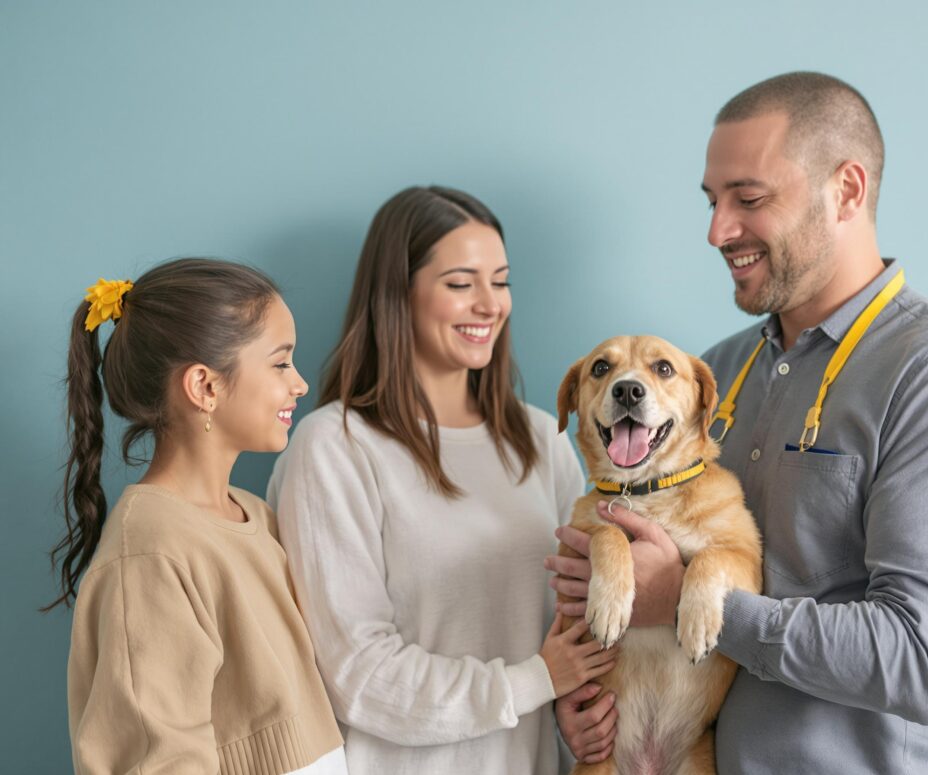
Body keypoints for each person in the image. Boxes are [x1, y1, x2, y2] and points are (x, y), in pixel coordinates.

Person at [550, 72, 928, 773]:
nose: (718, 231)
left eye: (749, 199)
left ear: (848, 191)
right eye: (713, 202)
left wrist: (682, 598)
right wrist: (584, 691)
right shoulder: (712, 374)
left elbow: (921, 663)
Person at [267, 185, 614, 775]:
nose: (489, 304)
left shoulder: (542, 440)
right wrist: (535, 682)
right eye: (460, 284)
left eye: (500, 282)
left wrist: (575, 711)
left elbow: (572, 628)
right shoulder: (335, 448)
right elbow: (356, 672)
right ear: (397, 295)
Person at [50, 258, 346, 773]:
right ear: (205, 387)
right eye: (280, 364)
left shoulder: (255, 515)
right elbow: (156, 759)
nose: (300, 384)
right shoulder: (150, 551)